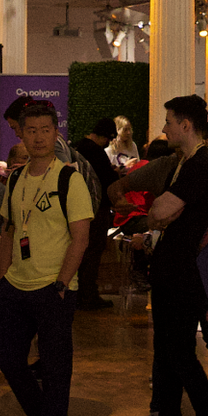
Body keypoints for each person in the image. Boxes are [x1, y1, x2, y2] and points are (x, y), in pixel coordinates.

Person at [125, 95, 208, 416]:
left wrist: (159, 215)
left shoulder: (201, 166)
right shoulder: (184, 165)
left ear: (186, 124)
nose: (164, 128)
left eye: (169, 120)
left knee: (181, 354)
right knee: (170, 354)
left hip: (187, 276)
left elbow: (159, 210)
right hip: (174, 274)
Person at [0, 100, 93, 416]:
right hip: (15, 287)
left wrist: (62, 283)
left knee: (55, 369)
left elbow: (80, 238)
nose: (38, 138)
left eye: (45, 130)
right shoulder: (17, 178)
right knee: (10, 363)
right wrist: (4, 278)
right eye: (31, 130)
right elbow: (8, 230)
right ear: (20, 133)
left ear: (56, 133)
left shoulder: (69, 179)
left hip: (54, 288)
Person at [71, 117, 119, 310]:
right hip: (96, 210)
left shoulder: (76, 147)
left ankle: (77, 293)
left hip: (76, 210)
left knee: (79, 251)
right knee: (93, 252)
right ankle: (88, 294)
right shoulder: (96, 152)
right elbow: (108, 180)